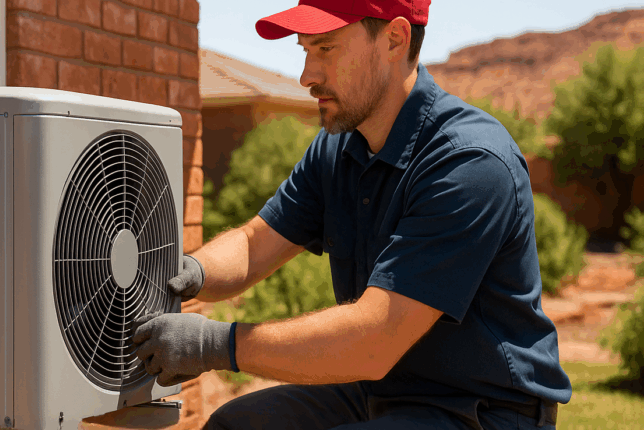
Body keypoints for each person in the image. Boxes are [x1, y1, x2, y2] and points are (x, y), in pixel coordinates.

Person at [130, 1, 572, 428]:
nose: (307, 76)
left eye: (325, 49)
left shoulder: (469, 163)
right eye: (305, 50)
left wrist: (213, 345)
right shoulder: (338, 148)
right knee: (237, 423)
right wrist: (189, 271)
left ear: (395, 39)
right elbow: (253, 243)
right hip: (380, 389)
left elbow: (374, 339)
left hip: (480, 409)